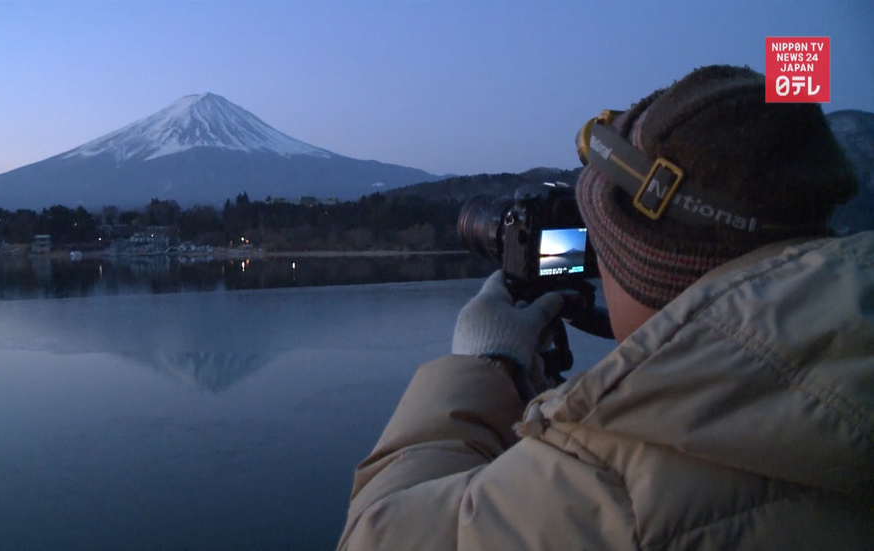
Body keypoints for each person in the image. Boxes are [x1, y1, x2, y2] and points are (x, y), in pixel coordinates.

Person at [337, 65, 874, 550]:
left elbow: (376, 537)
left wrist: (483, 367)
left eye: (599, 243)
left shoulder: (610, 486)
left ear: (650, 268)